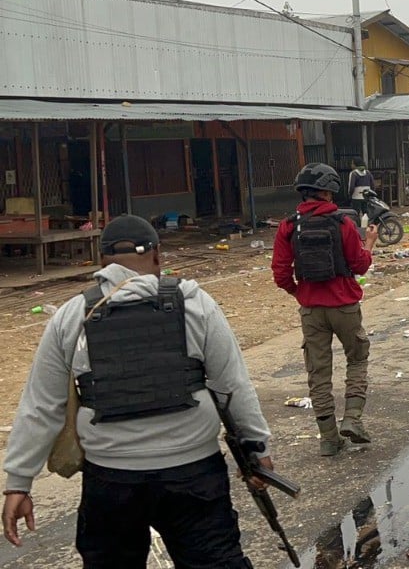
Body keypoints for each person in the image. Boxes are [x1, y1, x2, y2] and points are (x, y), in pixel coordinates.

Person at [2, 215, 273, 567]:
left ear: (101, 262)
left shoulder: (71, 316)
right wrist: (258, 449)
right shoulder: (196, 304)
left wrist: (18, 483)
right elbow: (232, 387)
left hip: (111, 481)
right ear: (159, 256)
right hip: (193, 474)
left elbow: (41, 405)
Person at [273, 162, 377, 456]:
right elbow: (360, 265)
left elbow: (280, 274)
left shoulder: (288, 226)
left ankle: (329, 438)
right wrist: (369, 243)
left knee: (319, 373)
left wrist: (301, 293)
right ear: (330, 193)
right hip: (344, 305)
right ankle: (353, 419)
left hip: (310, 309)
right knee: (357, 359)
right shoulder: (343, 223)